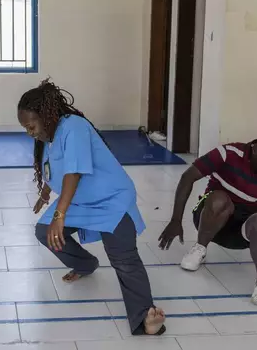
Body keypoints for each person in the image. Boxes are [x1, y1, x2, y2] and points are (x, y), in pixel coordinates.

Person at [18, 79, 166, 336]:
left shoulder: (73, 127)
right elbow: (54, 168)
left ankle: (145, 316)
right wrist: (45, 193)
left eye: (31, 126)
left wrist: (59, 215)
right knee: (44, 232)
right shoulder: (47, 136)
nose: (29, 132)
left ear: (46, 116)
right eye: (25, 128)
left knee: (124, 259)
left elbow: (73, 173)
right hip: (80, 201)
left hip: (111, 200)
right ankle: (86, 264)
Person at [158, 131, 257, 306]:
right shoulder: (228, 154)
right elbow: (187, 177)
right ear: (255, 149)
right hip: (208, 219)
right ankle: (199, 249)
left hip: (241, 231)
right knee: (220, 199)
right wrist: (176, 220)